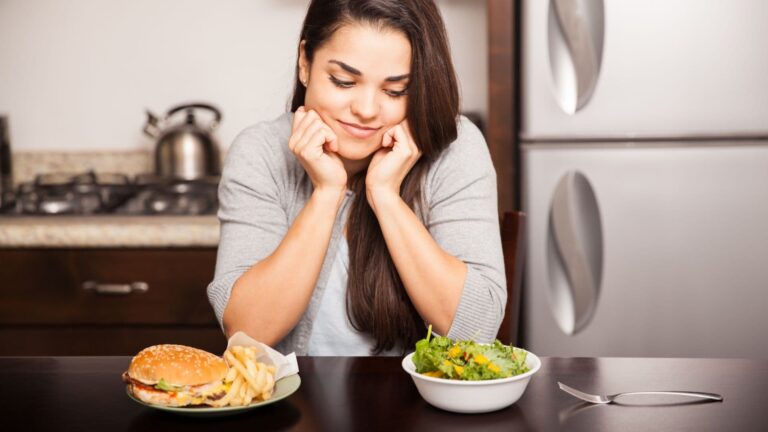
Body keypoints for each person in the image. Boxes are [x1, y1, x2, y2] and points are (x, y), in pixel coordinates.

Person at [207, 0, 505, 356]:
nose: (366, 110)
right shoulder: (261, 152)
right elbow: (248, 331)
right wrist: (326, 193)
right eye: (343, 81)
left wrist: (385, 196)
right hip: (294, 407)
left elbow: (479, 328)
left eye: (396, 90)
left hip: (421, 408)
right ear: (305, 63)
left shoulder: (455, 147)